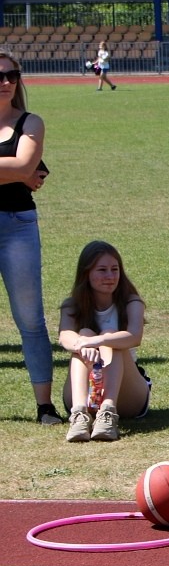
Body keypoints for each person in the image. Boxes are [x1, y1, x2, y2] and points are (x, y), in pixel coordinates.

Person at [0, 50, 63, 426]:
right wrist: (15, 172)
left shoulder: (30, 122)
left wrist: (21, 171)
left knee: (30, 319)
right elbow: (19, 169)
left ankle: (45, 407)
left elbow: (26, 165)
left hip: (17, 225)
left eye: (12, 75)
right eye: (0, 76)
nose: (6, 82)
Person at [58, 241, 151, 443]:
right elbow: (65, 337)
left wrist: (98, 341)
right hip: (85, 391)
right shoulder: (71, 305)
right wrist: (84, 343)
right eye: (102, 270)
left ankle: (107, 413)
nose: (110, 276)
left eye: (114, 269)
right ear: (86, 273)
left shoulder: (131, 302)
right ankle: (79, 415)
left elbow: (134, 337)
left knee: (112, 337)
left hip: (128, 395)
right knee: (82, 335)